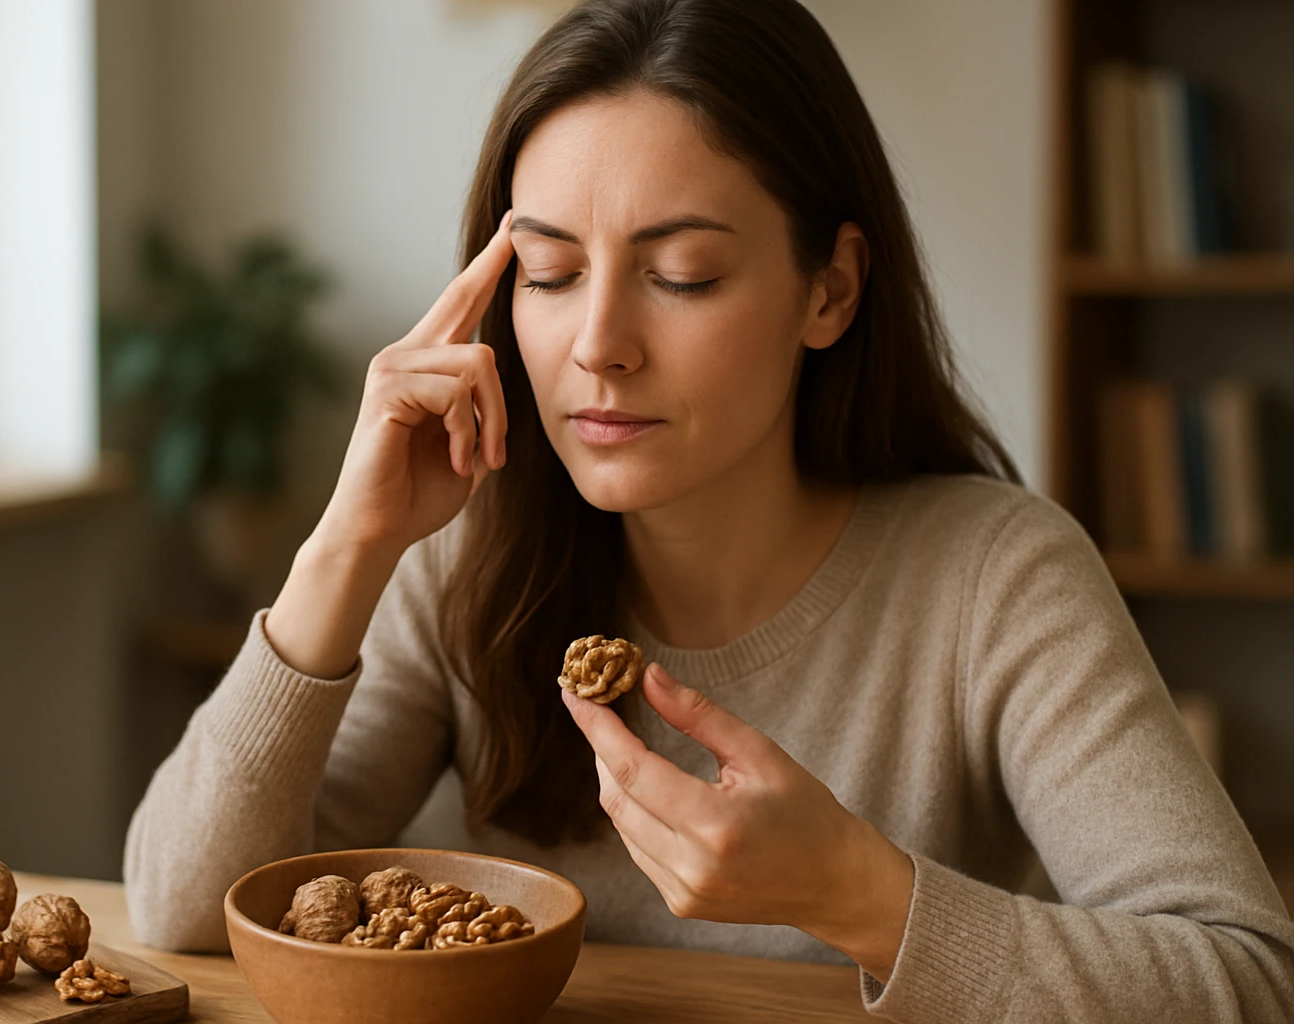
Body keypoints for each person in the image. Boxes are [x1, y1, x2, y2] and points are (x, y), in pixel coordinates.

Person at [123, 1, 1294, 1019]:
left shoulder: (996, 577)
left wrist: (859, 892)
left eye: (681, 275)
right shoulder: (465, 555)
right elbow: (181, 909)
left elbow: (1246, 978)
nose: (598, 345)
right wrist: (350, 542)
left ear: (830, 289)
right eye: (549, 273)